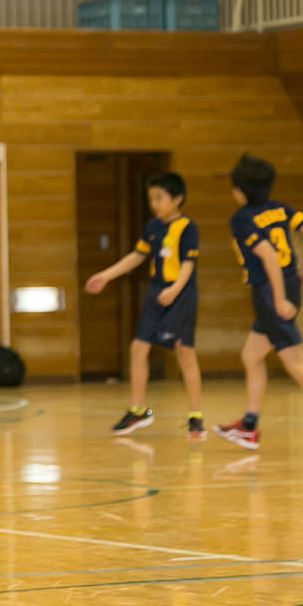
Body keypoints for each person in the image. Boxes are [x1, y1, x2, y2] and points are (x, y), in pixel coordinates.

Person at [215, 155, 303, 454]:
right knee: (251, 356)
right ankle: (250, 426)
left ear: (240, 190)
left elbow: (268, 256)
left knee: (295, 361)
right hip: (289, 285)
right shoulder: (280, 209)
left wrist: (279, 299)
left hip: (272, 292)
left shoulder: (242, 219)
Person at [83, 172, 204, 441]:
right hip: (156, 292)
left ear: (178, 199)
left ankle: (195, 417)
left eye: (160, 198)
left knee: (185, 354)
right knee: (137, 349)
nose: (154, 203)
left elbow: (188, 264)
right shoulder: (152, 227)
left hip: (180, 295)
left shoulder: (187, 228)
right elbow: (137, 255)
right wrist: (106, 275)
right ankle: (138, 411)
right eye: (152, 198)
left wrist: (175, 290)